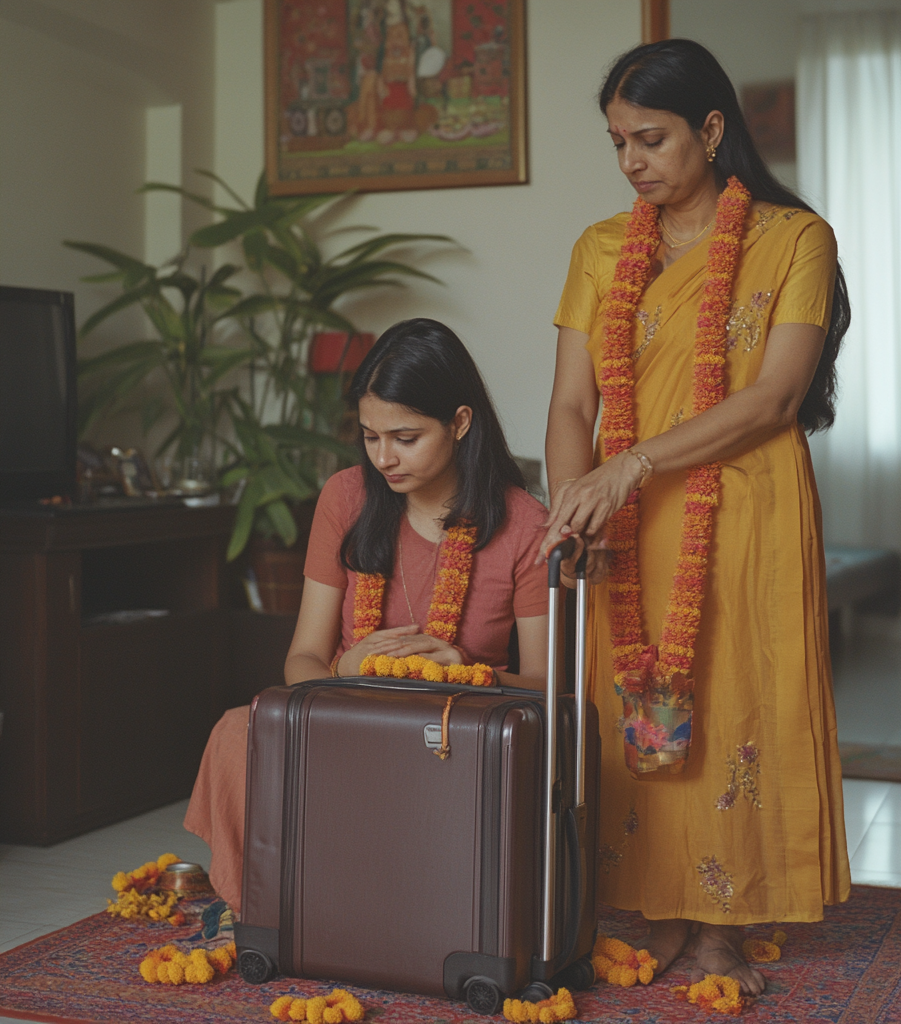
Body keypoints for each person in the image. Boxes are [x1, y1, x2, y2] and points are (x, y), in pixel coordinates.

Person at [539, 39, 852, 995]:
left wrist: (630, 467)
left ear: (711, 131)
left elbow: (774, 399)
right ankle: (663, 910)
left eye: (652, 137)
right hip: (625, 522)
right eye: (618, 142)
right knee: (636, 702)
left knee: (736, 701)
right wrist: (572, 510)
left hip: (745, 507)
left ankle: (727, 920)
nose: (632, 161)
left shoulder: (795, 239)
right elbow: (568, 408)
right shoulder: (600, 248)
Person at [185, 318, 550, 914]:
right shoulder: (346, 497)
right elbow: (301, 655)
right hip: (348, 714)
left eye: (406, 437)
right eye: (370, 436)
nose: (385, 457)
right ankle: (271, 913)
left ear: (460, 423)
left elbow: (546, 690)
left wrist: (464, 668)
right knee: (236, 731)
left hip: (455, 741)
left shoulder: (524, 523)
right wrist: (342, 672)